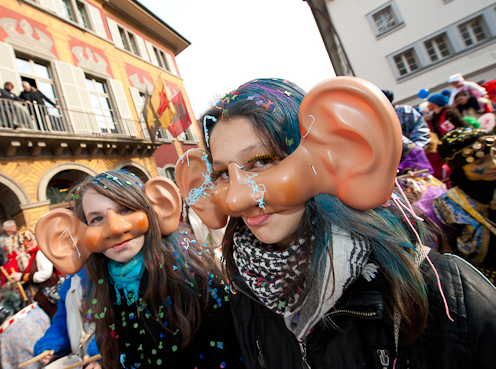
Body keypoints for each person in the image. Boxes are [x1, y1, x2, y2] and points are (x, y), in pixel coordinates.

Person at [175, 77, 496, 368]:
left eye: (261, 161)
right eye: (221, 175)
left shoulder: (448, 293)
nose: (235, 200)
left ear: (331, 151)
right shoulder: (246, 293)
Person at [35, 171, 245, 369]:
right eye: (97, 219)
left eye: (125, 210)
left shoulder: (197, 279)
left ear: (155, 208)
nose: (115, 228)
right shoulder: (102, 290)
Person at [433, 127, 496, 283]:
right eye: (481, 161)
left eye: (494, 155)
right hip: (486, 277)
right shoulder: (447, 203)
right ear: (459, 168)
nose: (493, 164)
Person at [33, 266, 99, 369]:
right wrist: (50, 342)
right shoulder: (69, 282)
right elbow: (63, 319)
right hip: (84, 360)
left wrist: (101, 350)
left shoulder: (105, 270)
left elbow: (117, 317)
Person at [10, 228, 61, 319]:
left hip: (50, 297)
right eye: (23, 242)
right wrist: (24, 286)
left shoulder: (41, 253)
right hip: (44, 298)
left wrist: (22, 276)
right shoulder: (33, 255)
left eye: (29, 241)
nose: (26, 244)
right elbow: (34, 276)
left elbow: (45, 274)